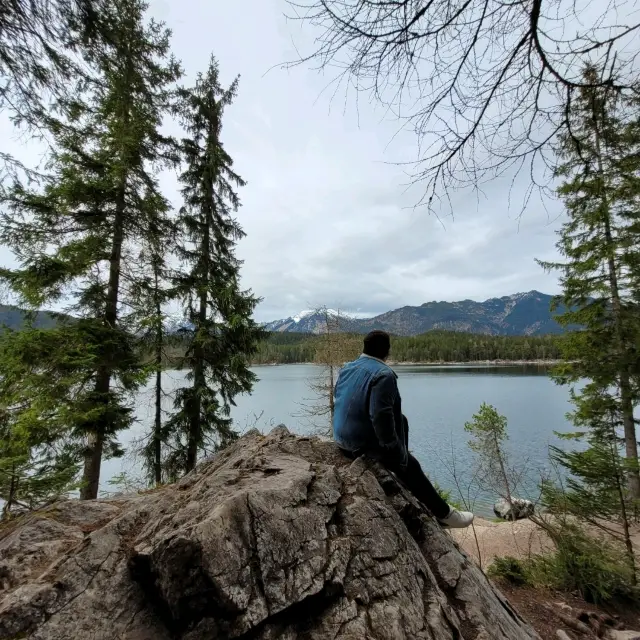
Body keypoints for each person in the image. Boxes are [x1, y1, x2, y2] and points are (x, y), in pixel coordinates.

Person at [333, 330, 474, 528]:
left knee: (402, 420)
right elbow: (380, 417)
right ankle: (445, 515)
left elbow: (338, 397)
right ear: (386, 351)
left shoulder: (348, 367)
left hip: (340, 438)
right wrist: (398, 454)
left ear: (364, 348)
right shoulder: (384, 375)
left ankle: (403, 470)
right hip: (358, 445)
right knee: (411, 465)